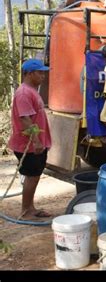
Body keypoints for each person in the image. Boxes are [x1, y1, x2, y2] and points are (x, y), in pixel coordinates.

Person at [8, 59, 52, 219]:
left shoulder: (31, 90)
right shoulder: (24, 93)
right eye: (40, 72)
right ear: (29, 73)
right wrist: (36, 141)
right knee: (32, 176)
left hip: (34, 143)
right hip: (28, 144)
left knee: (34, 176)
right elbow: (25, 119)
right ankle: (26, 210)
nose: (43, 76)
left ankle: (30, 207)